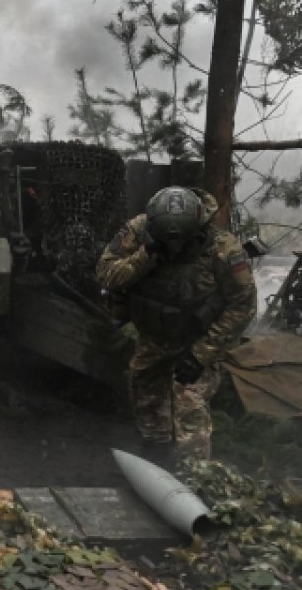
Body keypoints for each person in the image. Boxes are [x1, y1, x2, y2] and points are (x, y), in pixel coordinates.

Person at [96, 186, 256, 463]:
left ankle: (195, 476)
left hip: (199, 339)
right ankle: (156, 453)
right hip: (154, 336)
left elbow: (243, 306)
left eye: (180, 242)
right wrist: (147, 254)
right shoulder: (138, 230)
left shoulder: (223, 249)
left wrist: (202, 354)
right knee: (144, 389)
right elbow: (107, 275)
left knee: (188, 405)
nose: (175, 249)